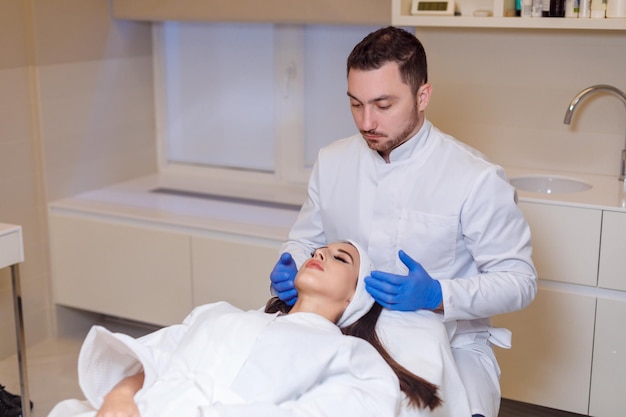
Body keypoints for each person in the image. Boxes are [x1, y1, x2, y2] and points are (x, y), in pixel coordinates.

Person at [270, 26, 537, 417]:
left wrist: (439, 295)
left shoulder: (474, 177)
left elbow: (520, 281)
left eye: (383, 104)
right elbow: (303, 241)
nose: (366, 122)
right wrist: (290, 264)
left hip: (451, 343)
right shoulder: (333, 162)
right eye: (355, 104)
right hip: (348, 331)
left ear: (422, 95)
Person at [47, 241, 441, 417]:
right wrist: (119, 398)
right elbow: (155, 357)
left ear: (355, 299)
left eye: (340, 257)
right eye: (320, 248)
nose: (319, 252)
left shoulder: (348, 354)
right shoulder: (222, 314)